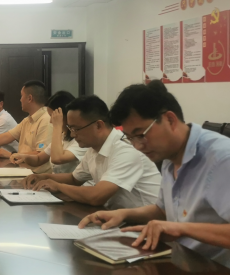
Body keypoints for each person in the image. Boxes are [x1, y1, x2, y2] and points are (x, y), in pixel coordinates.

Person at [78, 81, 230, 264]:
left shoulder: (221, 160)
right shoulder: (169, 156)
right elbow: (163, 210)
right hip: (183, 261)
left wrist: (182, 229)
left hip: (218, 272)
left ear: (170, 120)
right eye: (131, 138)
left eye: (141, 135)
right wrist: (123, 214)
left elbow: (176, 225)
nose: (137, 146)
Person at [24, 95, 161, 209]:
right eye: (70, 128)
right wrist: (43, 177)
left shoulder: (126, 150)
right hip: (117, 217)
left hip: (145, 225)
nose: (73, 134)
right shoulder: (93, 149)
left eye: (76, 129)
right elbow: (74, 179)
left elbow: (96, 196)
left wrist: (57, 186)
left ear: (98, 125)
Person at [10, 91, 86, 174]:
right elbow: (39, 159)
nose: (51, 121)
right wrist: (24, 157)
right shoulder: (63, 136)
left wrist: (57, 126)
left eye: (52, 117)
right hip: (55, 180)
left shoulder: (81, 141)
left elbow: (57, 159)